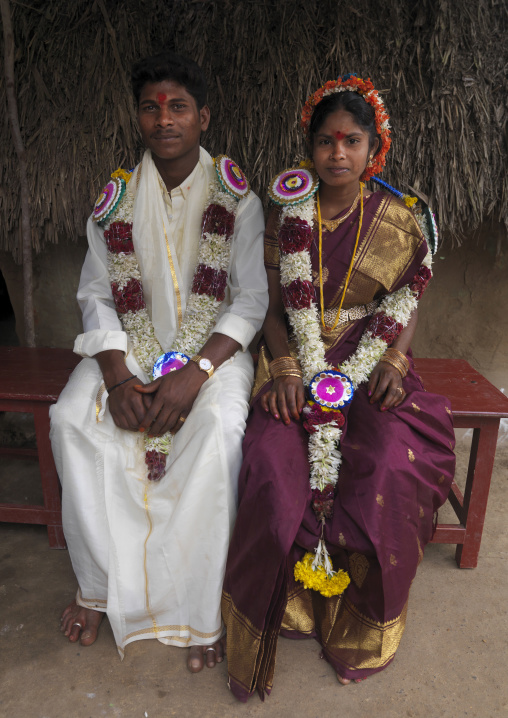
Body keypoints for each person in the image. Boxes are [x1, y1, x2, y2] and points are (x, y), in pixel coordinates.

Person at [222, 74, 456, 701]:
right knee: (273, 466)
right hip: (294, 354)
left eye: (351, 141)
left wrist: (396, 364)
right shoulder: (286, 213)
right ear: (310, 144)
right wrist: (287, 369)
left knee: (384, 466)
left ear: (373, 147)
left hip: (370, 351)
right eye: (325, 141)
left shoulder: (400, 218)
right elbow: (271, 309)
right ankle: (289, 608)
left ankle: (359, 625)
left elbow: (408, 303)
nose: (337, 154)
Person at [50, 51, 268, 673]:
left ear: (203, 116)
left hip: (212, 354)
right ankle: (97, 587)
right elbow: (95, 293)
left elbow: (251, 299)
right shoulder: (113, 200)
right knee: (71, 419)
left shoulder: (238, 197)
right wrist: (117, 375)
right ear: (138, 117)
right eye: (151, 107)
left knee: (220, 431)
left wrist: (195, 375)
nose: (164, 119)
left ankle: (200, 608)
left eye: (178, 107)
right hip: (126, 349)